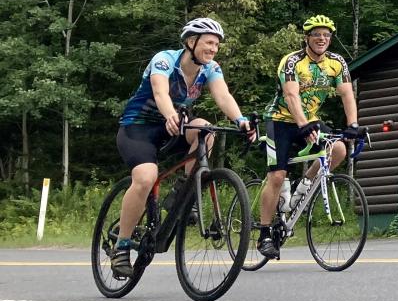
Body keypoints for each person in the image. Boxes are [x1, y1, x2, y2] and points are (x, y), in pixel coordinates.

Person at [112, 17, 255, 279]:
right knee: (145, 177)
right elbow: (160, 93)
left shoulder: (210, 68)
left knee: (205, 130)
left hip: (175, 125)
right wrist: (169, 115)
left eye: (217, 45)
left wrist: (241, 120)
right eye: (209, 43)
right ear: (191, 42)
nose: (213, 49)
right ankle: (121, 246)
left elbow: (223, 96)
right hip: (138, 128)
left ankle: (183, 193)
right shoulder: (165, 60)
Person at [256, 14, 361, 260]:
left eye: (326, 35)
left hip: (309, 119)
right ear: (307, 38)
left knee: (338, 149)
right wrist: (303, 125)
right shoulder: (292, 61)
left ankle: (304, 185)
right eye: (317, 35)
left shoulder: (336, 63)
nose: (322, 39)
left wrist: (353, 124)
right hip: (280, 120)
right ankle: (264, 233)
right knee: (278, 174)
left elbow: (346, 94)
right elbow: (291, 96)